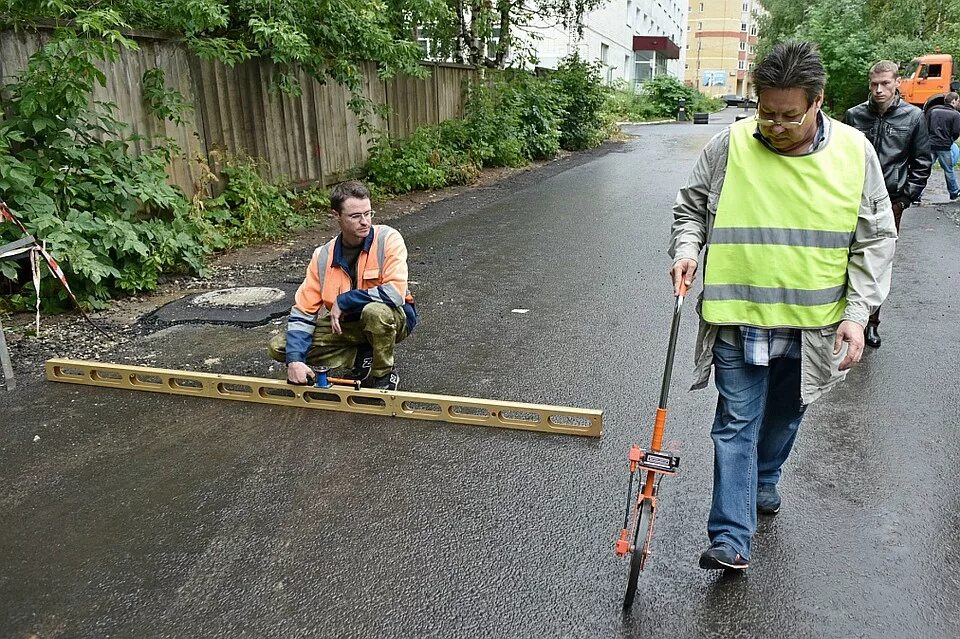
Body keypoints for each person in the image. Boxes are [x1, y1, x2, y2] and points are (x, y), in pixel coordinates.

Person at [669, 42, 897, 570]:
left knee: (784, 416)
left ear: (819, 102)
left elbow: (875, 240)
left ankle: (766, 477)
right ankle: (730, 537)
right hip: (738, 317)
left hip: (813, 326)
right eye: (765, 112)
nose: (774, 125)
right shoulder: (728, 146)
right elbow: (692, 207)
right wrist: (686, 250)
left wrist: (857, 316)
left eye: (789, 116)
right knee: (735, 422)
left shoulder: (854, 152)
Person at [268, 180, 417, 390]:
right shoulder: (322, 257)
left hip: (394, 318)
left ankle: (383, 374)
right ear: (336, 216)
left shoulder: (388, 239)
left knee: (376, 312)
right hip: (347, 326)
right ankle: (360, 355)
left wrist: (344, 300)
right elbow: (303, 313)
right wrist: (295, 361)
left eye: (368, 213)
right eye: (355, 216)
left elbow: (395, 294)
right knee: (279, 347)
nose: (365, 221)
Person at [842, 60, 931, 348]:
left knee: (878, 261)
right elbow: (839, 156)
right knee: (845, 255)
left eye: (885, 84)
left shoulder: (913, 117)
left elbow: (922, 161)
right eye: (874, 84)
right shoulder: (854, 116)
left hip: (890, 201)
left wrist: (906, 196)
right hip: (851, 198)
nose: (879, 90)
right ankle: (846, 317)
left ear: (897, 83)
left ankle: (871, 323)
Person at [925, 92, 960, 201]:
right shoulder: (956, 115)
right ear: (953, 101)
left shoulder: (933, 111)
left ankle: (917, 193)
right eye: (958, 101)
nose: (958, 103)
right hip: (944, 146)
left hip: (930, 144)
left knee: (925, 169)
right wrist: (950, 141)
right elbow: (956, 132)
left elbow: (926, 126)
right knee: (948, 170)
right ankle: (954, 192)